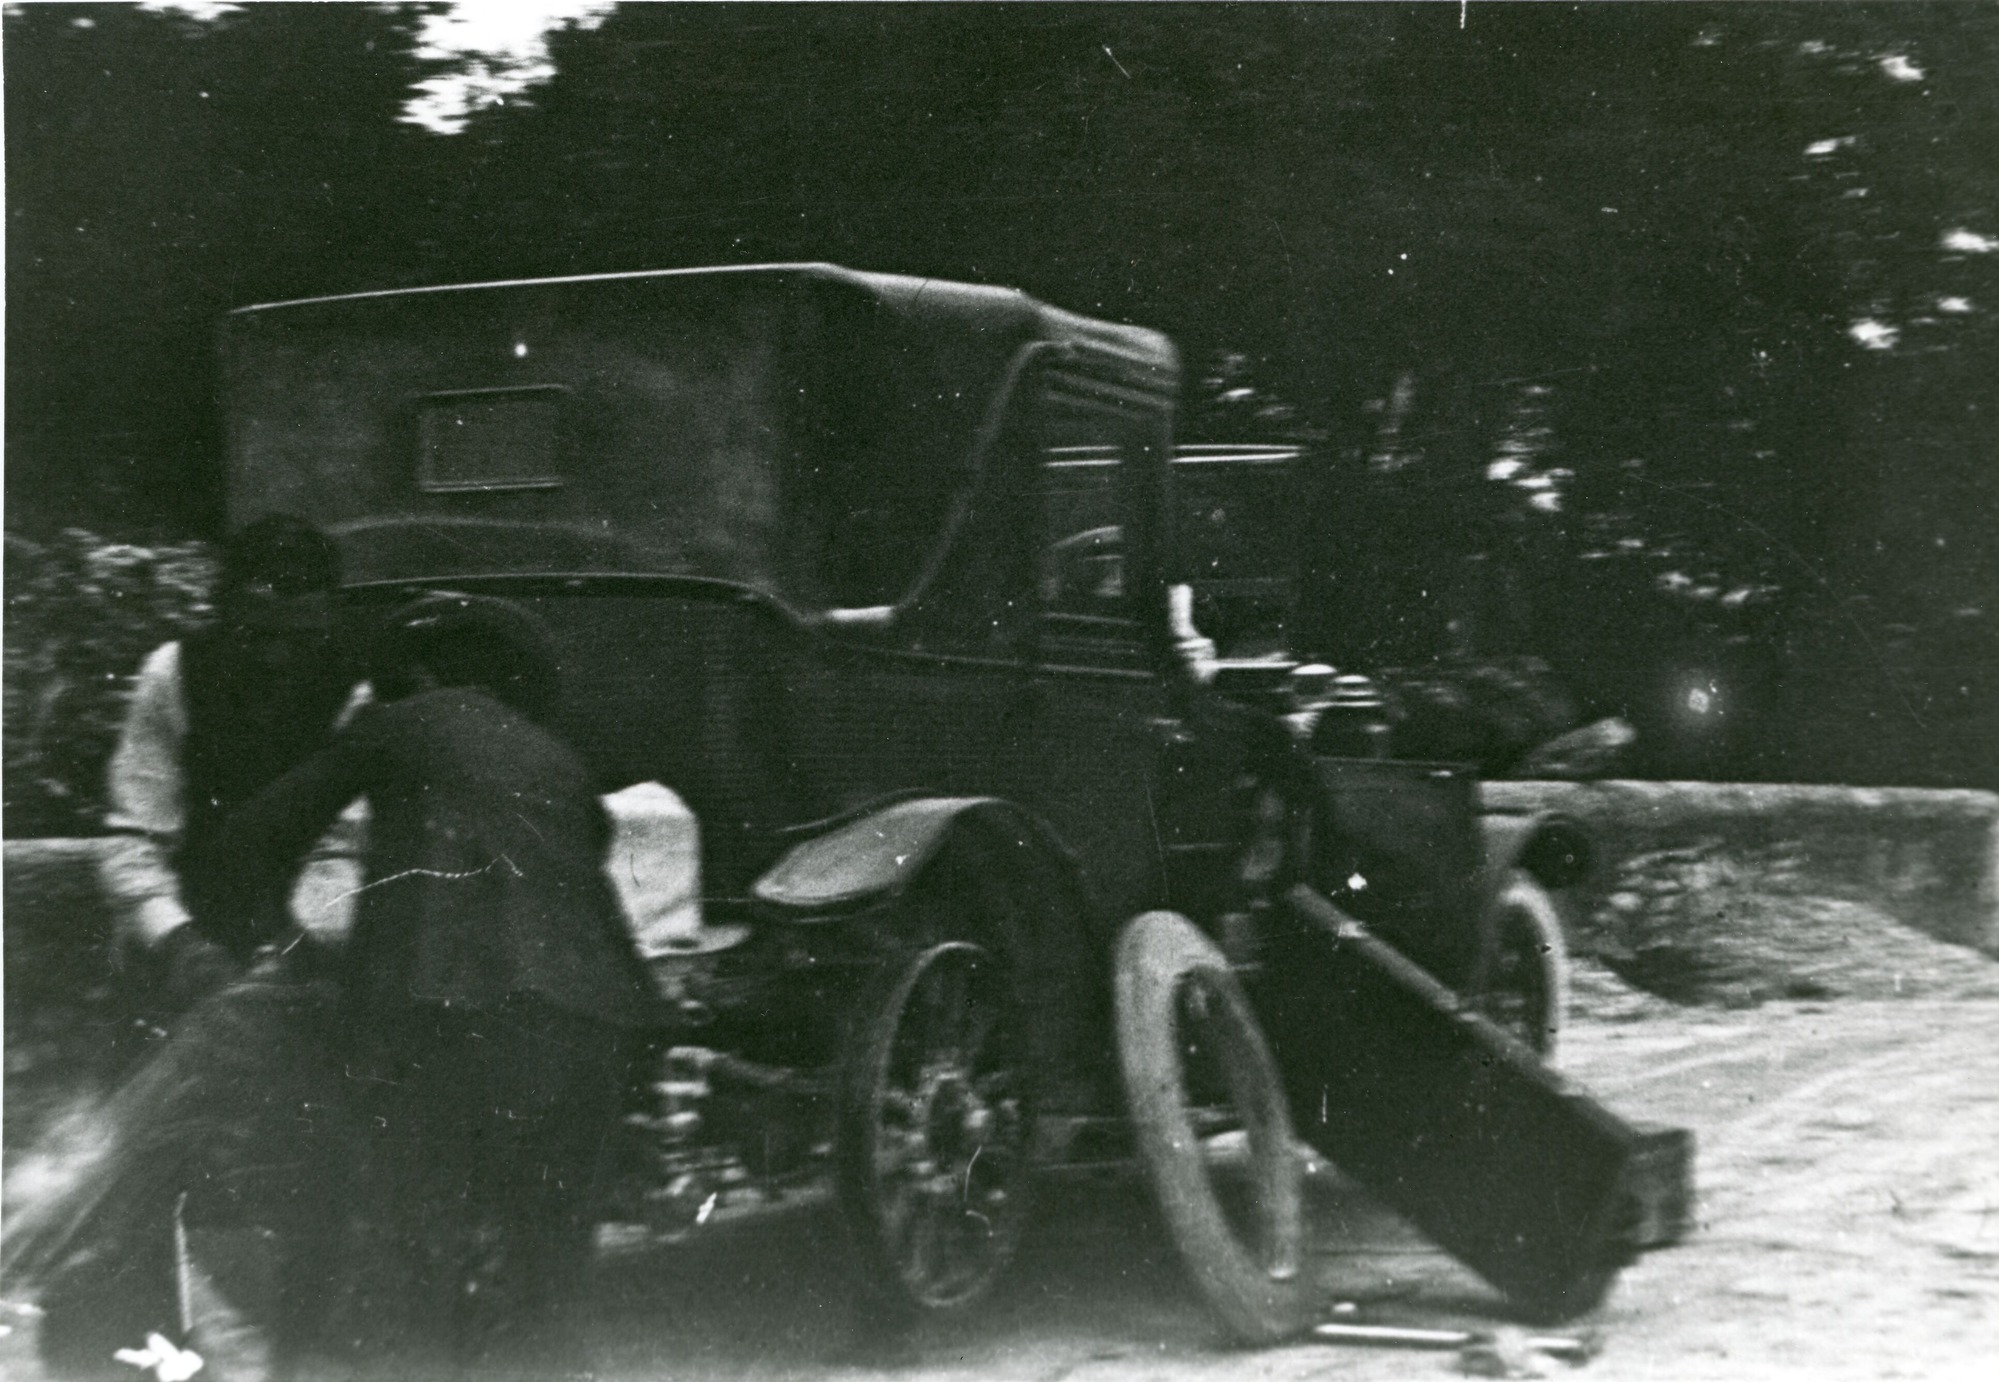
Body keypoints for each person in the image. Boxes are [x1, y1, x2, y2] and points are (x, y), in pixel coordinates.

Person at [202, 592, 661, 1382]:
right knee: (546, 1284)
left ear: (420, 671)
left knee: (421, 1265)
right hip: (597, 1022)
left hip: (455, 1016)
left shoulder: (401, 723)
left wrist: (272, 937)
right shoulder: (558, 760)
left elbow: (258, 833)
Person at [99, 513, 358, 1011]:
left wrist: (298, 946)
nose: (276, 658)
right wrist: (179, 943)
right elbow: (135, 834)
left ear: (328, 620)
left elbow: (345, 847)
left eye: (300, 638)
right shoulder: (171, 674)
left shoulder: (354, 691)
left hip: (308, 941)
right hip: (186, 930)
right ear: (222, 613)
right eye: (255, 635)